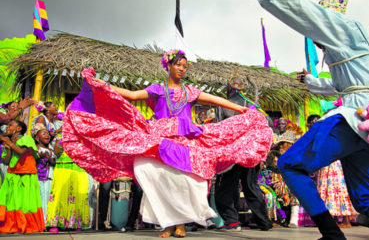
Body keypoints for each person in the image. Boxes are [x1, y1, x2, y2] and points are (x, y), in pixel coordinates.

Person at [62, 49, 273, 238]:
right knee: (150, 172)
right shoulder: (157, 89)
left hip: (184, 139)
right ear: (169, 65)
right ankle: (167, 223)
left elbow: (215, 99)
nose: (181, 69)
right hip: (160, 136)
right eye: (178, 65)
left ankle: (180, 224)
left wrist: (240, 110)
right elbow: (133, 95)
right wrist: (103, 85)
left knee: (182, 180)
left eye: (184, 66)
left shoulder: (189, 91)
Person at [255, 0, 369, 239]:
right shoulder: (355, 57)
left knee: (289, 164)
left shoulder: (346, 29)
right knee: (366, 203)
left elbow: (303, 11)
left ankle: (331, 234)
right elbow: (340, 86)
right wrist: (310, 82)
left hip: (352, 119)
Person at [214, 75, 272, 231]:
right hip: (250, 153)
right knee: (251, 187)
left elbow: (218, 128)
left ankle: (232, 222)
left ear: (229, 88)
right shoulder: (251, 105)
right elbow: (268, 123)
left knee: (224, 189)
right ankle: (263, 222)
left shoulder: (222, 105)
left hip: (232, 154)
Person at [0, 120, 45, 233]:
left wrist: (9, 143)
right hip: (13, 175)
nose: (7, 127)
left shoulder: (26, 139)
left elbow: (21, 152)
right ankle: (13, 225)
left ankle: (26, 225)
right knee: (12, 202)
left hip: (26, 175)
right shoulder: (10, 142)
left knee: (25, 202)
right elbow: (6, 160)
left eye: (10, 125)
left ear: (19, 128)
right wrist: (9, 148)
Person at [32, 123, 59, 224]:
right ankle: (39, 222)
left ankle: (47, 221)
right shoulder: (35, 149)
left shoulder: (51, 150)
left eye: (48, 133)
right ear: (37, 138)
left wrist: (49, 158)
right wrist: (39, 157)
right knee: (40, 200)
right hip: (38, 179)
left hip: (49, 178)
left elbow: (53, 163)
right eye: (43, 133)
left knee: (48, 199)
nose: (47, 135)